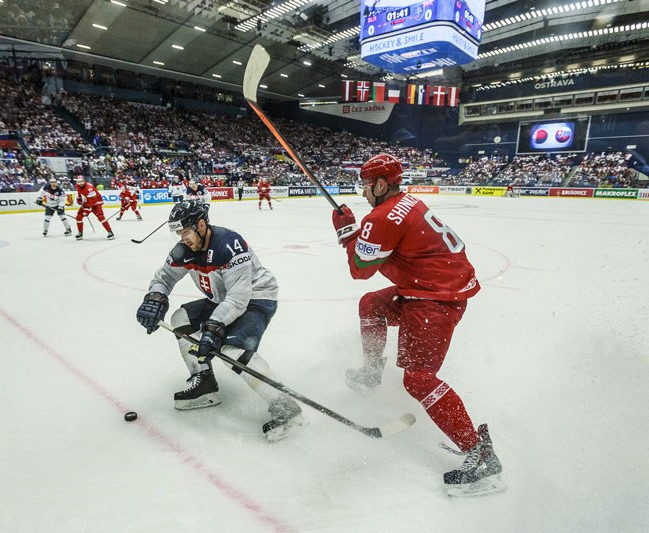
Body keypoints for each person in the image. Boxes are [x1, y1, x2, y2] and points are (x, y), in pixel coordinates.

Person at [330, 153, 504, 497]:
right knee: (372, 305)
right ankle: (370, 372)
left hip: (435, 297)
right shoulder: (404, 202)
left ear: (381, 184)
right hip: (428, 288)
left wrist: (347, 231)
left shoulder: (381, 217)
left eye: (366, 185)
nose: (363, 192)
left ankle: (479, 455)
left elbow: (359, 269)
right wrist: (359, 230)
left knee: (418, 378)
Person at [135, 200, 305, 442]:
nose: (181, 238)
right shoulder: (184, 250)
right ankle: (204, 382)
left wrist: (214, 327)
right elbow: (164, 277)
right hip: (224, 299)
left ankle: (287, 407)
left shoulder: (229, 244)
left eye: (185, 232)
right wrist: (155, 297)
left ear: (201, 225)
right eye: (178, 233)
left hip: (256, 297)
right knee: (180, 318)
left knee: (233, 348)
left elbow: (238, 298)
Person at [73, 175, 114, 240]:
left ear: (84, 181)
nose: (80, 183)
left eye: (81, 181)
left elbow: (92, 202)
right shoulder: (77, 186)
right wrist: (79, 199)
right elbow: (80, 194)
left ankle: (110, 232)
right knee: (78, 217)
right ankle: (80, 232)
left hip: (95, 203)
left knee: (101, 217)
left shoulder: (89, 188)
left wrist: (86, 211)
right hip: (87, 203)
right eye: (78, 181)